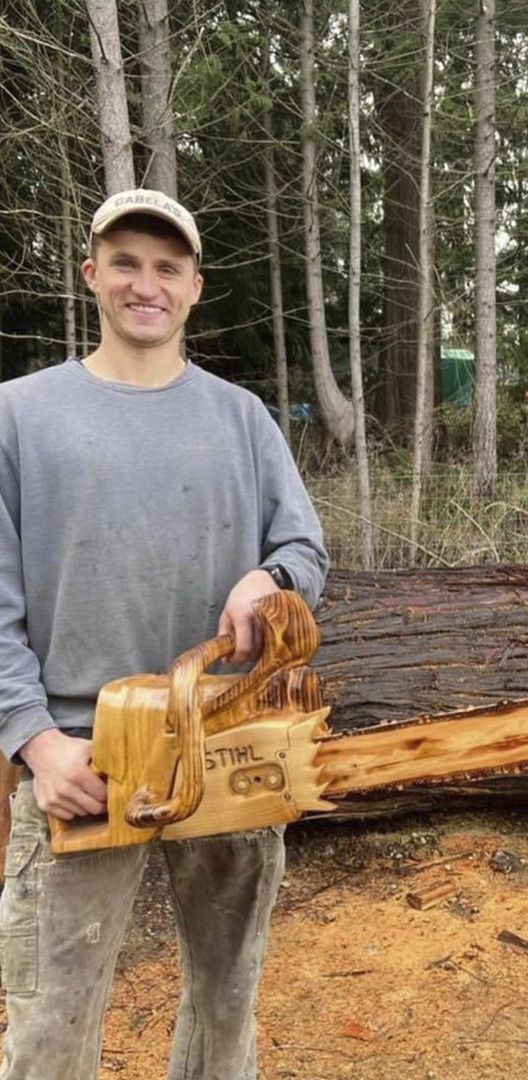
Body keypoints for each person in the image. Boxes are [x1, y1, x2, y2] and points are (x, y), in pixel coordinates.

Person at [0, 189, 329, 1079]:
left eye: (167, 268)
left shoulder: (244, 420)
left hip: (228, 740)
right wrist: (34, 744)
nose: (146, 284)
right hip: (82, 758)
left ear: (194, 288)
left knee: (226, 1004)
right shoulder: (19, 416)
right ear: (92, 275)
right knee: (48, 1025)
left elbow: (305, 547)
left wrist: (271, 579)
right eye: (126, 263)